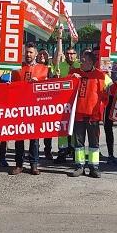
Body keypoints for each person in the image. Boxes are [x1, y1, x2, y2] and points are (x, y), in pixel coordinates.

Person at [68, 50, 111, 178]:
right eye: (81, 59)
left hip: (93, 115)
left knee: (94, 143)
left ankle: (94, 167)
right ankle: (79, 166)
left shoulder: (101, 75)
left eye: (84, 60)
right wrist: (71, 78)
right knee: (78, 143)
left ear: (91, 62)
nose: (81, 61)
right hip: (78, 114)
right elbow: (64, 85)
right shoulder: (74, 72)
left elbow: (109, 92)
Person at [9, 43, 48, 176]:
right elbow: (12, 87)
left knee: (34, 138)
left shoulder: (43, 69)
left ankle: (34, 164)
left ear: (36, 54)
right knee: (19, 137)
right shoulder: (16, 69)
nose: (28, 54)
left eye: (31, 52)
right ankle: (19, 164)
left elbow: (48, 87)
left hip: (35, 108)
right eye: (27, 52)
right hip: (20, 107)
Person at [51, 30, 80, 164]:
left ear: (76, 55)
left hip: (76, 102)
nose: (70, 55)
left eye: (72, 53)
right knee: (62, 127)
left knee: (74, 127)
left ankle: (74, 150)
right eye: (67, 54)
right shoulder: (60, 66)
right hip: (62, 103)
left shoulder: (80, 66)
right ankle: (62, 151)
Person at [36, 48, 54, 160]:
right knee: (37, 129)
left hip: (47, 102)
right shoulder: (34, 68)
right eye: (40, 54)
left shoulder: (50, 69)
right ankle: (35, 150)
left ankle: (48, 150)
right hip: (36, 103)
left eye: (45, 54)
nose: (42, 56)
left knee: (47, 130)